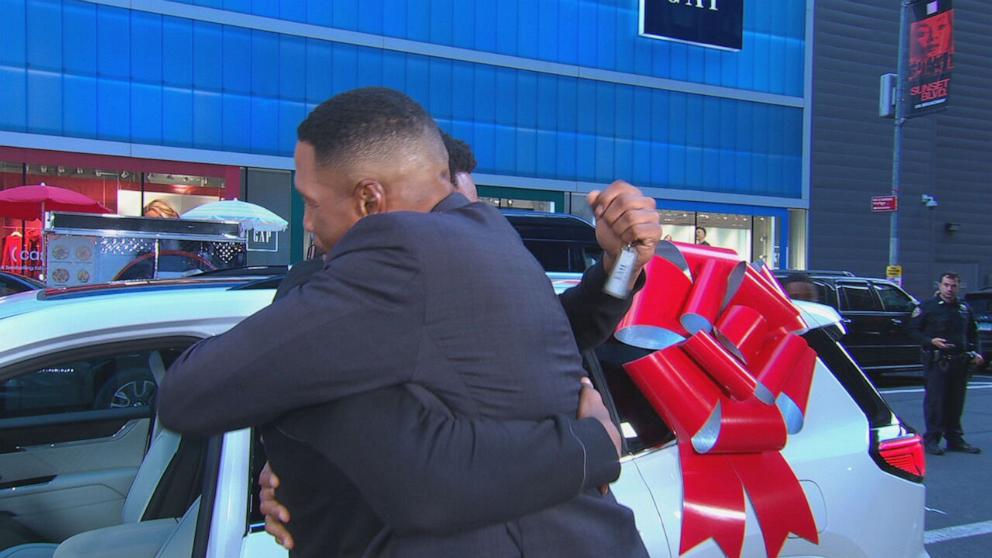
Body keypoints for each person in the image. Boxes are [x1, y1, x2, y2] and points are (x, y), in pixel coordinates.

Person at [158, 87, 655, 557]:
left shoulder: (407, 254)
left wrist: (590, 447)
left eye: (310, 203)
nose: (306, 221)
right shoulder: (489, 241)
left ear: (372, 200)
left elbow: (190, 395)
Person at [908, 272, 984, 455]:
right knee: (936, 402)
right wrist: (930, 341)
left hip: (960, 362)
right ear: (939, 285)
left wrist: (976, 353)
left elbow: (973, 332)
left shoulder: (964, 308)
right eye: (946, 285)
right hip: (937, 361)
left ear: (959, 287)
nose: (950, 289)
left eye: (953, 286)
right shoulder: (928, 307)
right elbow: (912, 330)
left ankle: (955, 438)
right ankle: (932, 439)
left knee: (955, 402)